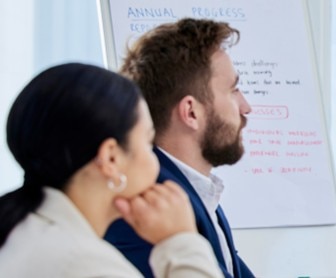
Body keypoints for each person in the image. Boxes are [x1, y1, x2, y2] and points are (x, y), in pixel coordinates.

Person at [0, 63, 222, 277]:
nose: (154, 160)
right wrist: (181, 241)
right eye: (148, 142)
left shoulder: (21, 231)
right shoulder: (85, 265)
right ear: (111, 158)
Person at [104, 18, 255, 278]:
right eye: (233, 90)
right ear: (191, 112)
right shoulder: (148, 209)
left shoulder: (196, 191)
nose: (246, 107)